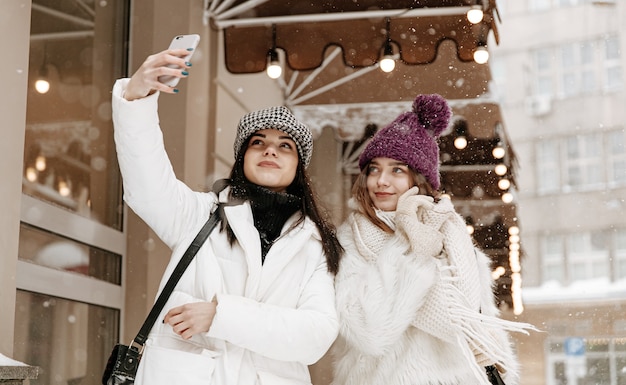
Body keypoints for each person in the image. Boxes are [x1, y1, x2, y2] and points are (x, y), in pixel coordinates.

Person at [111, 47, 343, 385]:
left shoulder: (316, 244)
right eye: (258, 142)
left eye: (285, 146)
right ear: (242, 157)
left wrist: (221, 316)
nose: (270, 150)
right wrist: (136, 100)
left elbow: (316, 335)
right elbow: (146, 184)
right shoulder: (198, 215)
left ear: (298, 167)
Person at [331, 94, 534, 385]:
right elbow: (368, 332)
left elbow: (477, 327)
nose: (381, 180)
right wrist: (410, 250)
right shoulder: (350, 240)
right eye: (373, 169)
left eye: (397, 170)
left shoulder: (452, 235)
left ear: (420, 180)